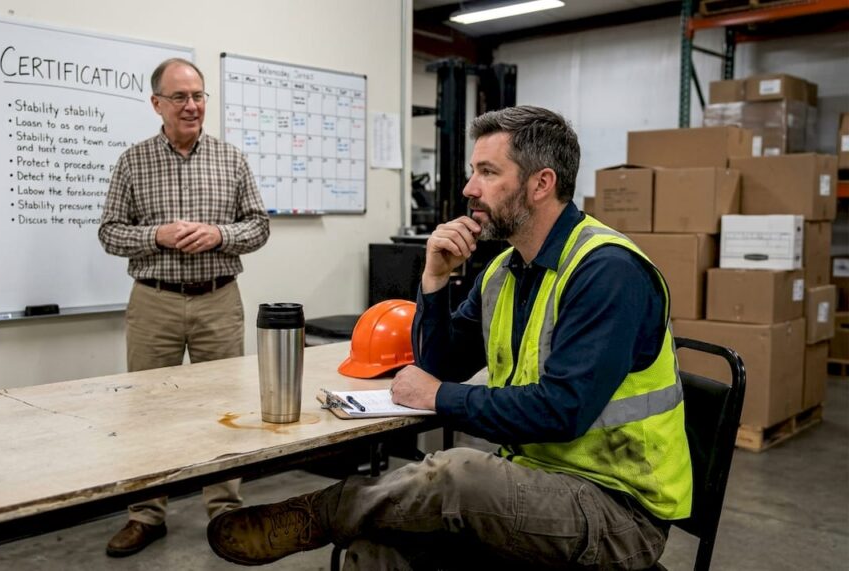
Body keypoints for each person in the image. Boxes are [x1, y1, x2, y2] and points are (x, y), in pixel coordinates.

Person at [205, 106, 692, 570]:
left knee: (458, 473)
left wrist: (438, 396)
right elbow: (438, 364)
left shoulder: (607, 272)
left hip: (616, 513)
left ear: (542, 183)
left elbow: (562, 410)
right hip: (536, 480)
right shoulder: (506, 270)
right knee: (380, 542)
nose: (468, 188)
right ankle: (344, 518)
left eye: (487, 172)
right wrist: (435, 279)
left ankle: (324, 513)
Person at [98, 58, 269, 557]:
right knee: (148, 412)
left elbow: (258, 226)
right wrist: (156, 235)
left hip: (219, 299)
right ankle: (146, 515)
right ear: (157, 104)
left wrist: (220, 234)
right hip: (154, 302)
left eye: (198, 96)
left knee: (225, 410)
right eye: (180, 97)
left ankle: (226, 511)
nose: (192, 106)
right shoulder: (132, 162)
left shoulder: (231, 159)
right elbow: (109, 233)